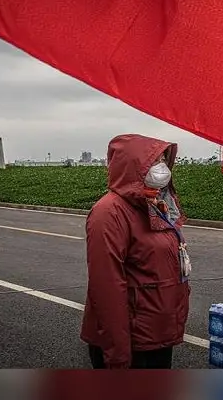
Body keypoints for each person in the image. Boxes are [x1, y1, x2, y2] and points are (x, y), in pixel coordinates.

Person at [81, 134, 191, 369]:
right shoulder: (109, 213)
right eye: (154, 161)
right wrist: (117, 354)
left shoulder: (156, 204)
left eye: (163, 160)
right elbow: (107, 289)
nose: (161, 167)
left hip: (156, 334)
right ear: (133, 166)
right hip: (133, 341)